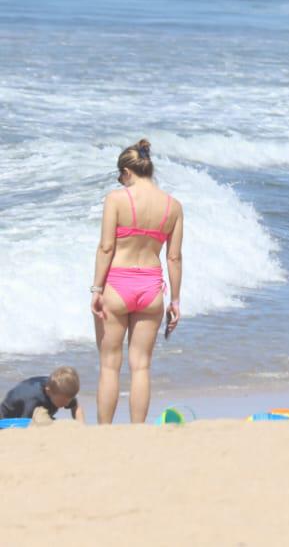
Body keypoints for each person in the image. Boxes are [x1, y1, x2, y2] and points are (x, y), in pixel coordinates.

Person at [91, 139, 183, 424]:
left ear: (127, 172)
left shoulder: (116, 199)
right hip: (152, 290)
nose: (120, 181)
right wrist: (175, 301)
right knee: (141, 367)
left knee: (109, 366)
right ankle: (138, 433)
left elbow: (106, 248)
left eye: (120, 176)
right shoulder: (173, 206)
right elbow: (175, 258)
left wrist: (96, 289)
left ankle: (105, 432)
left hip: (117, 285)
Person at [2, 367, 84, 423]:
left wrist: (80, 426)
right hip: (8, 417)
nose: (66, 404)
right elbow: (25, 424)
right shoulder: (33, 400)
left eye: (68, 400)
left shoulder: (61, 389)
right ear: (48, 391)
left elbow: (76, 407)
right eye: (63, 401)